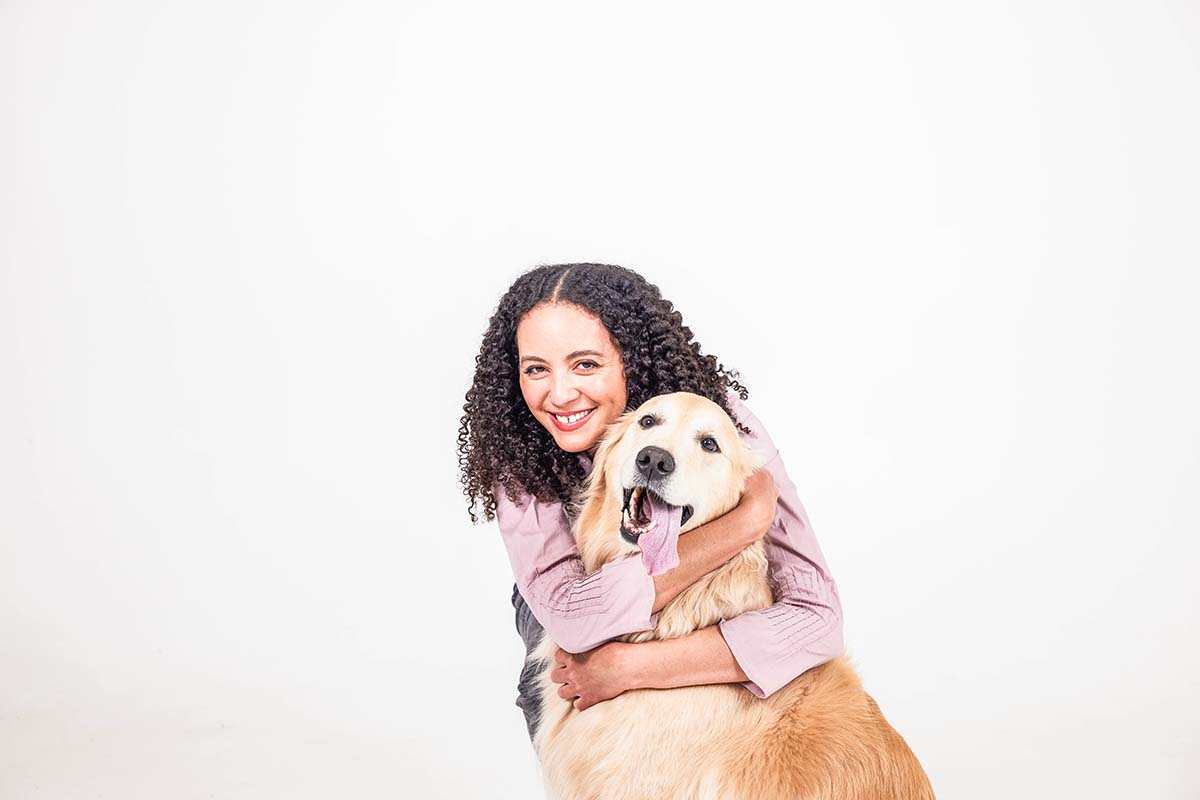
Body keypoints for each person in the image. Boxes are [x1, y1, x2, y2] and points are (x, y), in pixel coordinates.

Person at [457, 263, 844, 746]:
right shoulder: (517, 448)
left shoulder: (721, 424)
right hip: (570, 606)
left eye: (585, 364)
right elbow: (572, 619)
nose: (559, 394)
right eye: (536, 368)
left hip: (714, 606)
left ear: (632, 359)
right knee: (554, 690)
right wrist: (746, 521)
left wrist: (627, 667)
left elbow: (818, 619)